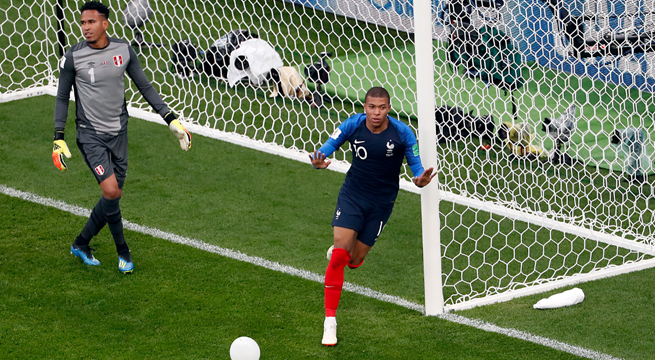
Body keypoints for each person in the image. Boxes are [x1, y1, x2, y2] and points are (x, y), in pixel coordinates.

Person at [52, 1, 192, 274]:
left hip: (119, 134)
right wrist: (59, 136)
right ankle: (123, 252)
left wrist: (170, 118)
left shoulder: (123, 51)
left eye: (91, 22)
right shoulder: (73, 57)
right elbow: (61, 97)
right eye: (82, 23)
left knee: (112, 197)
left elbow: (145, 86)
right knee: (111, 191)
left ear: (105, 23)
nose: (85, 27)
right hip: (90, 135)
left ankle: (81, 243)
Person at [309, 87, 435, 346]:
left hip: (382, 203)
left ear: (389, 108)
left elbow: (415, 164)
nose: (376, 112)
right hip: (353, 195)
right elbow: (328, 146)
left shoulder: (402, 133)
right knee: (340, 256)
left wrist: (420, 178)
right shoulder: (353, 124)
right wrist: (317, 160)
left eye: (382, 107)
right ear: (364, 107)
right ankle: (329, 322)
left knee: (354, 261)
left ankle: (346, 253)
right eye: (371, 107)